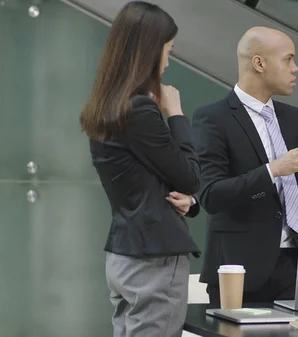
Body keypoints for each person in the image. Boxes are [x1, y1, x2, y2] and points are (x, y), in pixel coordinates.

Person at [80, 2, 201, 336]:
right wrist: (175, 113)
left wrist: (190, 203)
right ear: (150, 52)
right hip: (153, 260)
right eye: (167, 51)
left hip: (124, 255)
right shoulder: (141, 110)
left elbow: (151, 179)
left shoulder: (107, 107)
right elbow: (189, 176)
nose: (167, 62)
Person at [191, 26, 298, 305]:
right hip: (238, 270)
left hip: (293, 267)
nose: (295, 69)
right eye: (288, 59)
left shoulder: (293, 118)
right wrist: (272, 170)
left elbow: (297, 196)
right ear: (259, 63)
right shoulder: (213, 118)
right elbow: (211, 195)